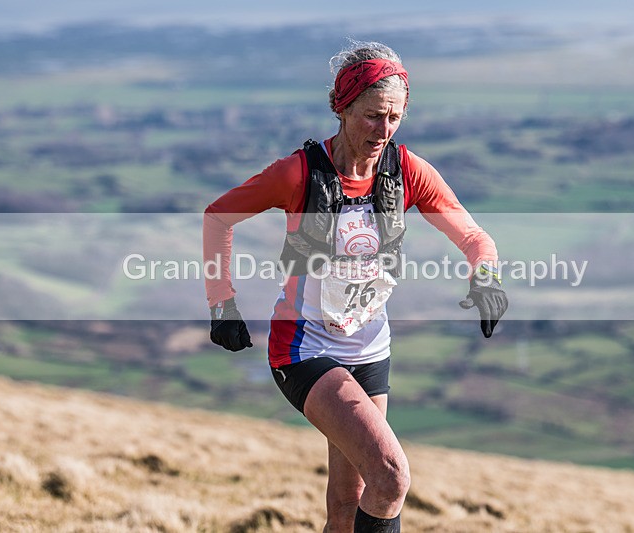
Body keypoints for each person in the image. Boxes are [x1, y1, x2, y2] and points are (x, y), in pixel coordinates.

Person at [203, 40, 508, 533]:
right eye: (371, 116)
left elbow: (474, 236)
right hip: (304, 349)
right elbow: (218, 216)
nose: (382, 130)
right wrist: (222, 303)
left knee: (350, 502)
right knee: (391, 477)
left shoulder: (406, 172)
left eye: (394, 117)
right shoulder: (297, 174)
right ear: (340, 108)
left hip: (371, 348)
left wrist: (487, 276)